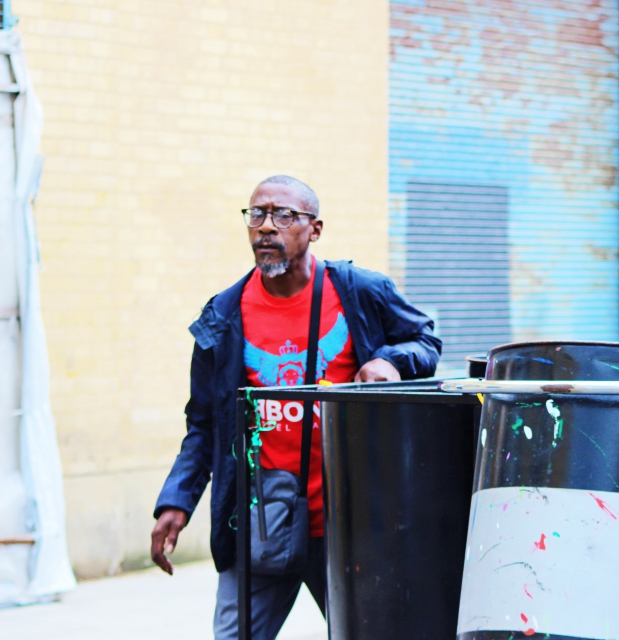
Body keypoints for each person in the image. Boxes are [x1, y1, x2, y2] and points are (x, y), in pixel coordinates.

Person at [150, 175, 441, 639]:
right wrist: (176, 501)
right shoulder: (223, 316)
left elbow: (426, 340)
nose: (267, 226)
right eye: (257, 214)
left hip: (353, 523)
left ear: (315, 228)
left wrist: (391, 361)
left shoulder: (360, 292)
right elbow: (204, 424)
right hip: (266, 519)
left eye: (283, 215)